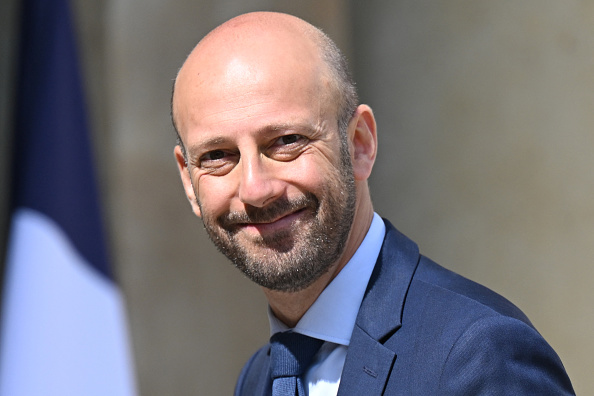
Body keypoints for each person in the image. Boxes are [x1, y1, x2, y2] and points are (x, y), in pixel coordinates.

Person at [170, 11, 574, 396]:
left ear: (360, 144)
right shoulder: (261, 377)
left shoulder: (481, 356)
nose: (255, 189)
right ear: (189, 181)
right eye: (218, 156)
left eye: (286, 142)